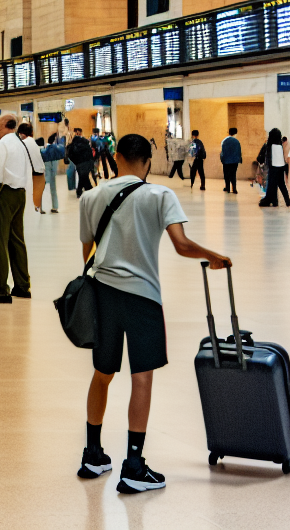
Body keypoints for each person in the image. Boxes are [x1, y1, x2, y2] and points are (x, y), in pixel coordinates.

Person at [76, 134, 232, 494]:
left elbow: (87, 251)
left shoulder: (92, 196)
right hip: (143, 297)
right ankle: (133, 465)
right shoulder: (160, 195)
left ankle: (92, 454)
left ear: (115, 158)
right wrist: (214, 257)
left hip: (103, 293)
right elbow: (182, 245)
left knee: (102, 373)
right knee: (141, 378)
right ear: (147, 161)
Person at [0, 117, 34, 304]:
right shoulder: (21, 144)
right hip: (20, 194)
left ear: (2, 127)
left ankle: (1, 291)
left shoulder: (1, 146)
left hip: (3, 195)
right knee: (16, 240)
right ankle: (22, 286)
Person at [257, 129, 290, 207]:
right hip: (281, 167)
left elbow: (263, 157)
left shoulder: (268, 145)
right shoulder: (280, 145)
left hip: (273, 167)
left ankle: (273, 200)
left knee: (272, 184)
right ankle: (287, 200)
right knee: (281, 184)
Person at [38, 133, 64, 214]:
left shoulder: (44, 150)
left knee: (43, 189)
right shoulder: (57, 149)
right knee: (53, 189)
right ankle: (55, 207)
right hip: (53, 173)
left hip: (45, 173)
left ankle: (42, 208)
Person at [67, 128, 96, 196]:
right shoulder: (86, 144)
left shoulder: (73, 146)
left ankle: (82, 191)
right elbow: (90, 154)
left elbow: (70, 155)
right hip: (88, 163)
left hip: (80, 164)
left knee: (82, 177)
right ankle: (86, 190)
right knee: (84, 177)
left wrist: (76, 162)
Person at [219, 128, 242, 194]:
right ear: (236, 133)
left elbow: (221, 151)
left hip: (226, 161)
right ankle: (234, 188)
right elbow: (239, 152)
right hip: (234, 161)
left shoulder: (224, 140)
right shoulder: (237, 141)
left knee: (226, 174)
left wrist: (222, 159)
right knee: (233, 174)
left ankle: (227, 188)